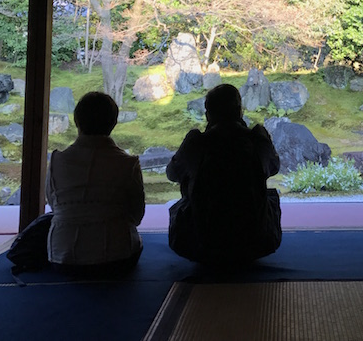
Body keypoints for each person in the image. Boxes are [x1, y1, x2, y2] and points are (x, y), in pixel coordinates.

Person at [167, 83, 282, 265]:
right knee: (270, 197)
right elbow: (274, 167)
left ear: (208, 114)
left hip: (202, 243)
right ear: (239, 110)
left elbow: (172, 173)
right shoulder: (255, 139)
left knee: (183, 201)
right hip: (256, 242)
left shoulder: (198, 142)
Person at [46, 91, 145, 276]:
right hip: (117, 257)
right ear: (113, 123)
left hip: (62, 257)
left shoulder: (57, 160)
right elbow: (136, 215)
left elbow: (54, 205)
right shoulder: (127, 163)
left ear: (77, 121)